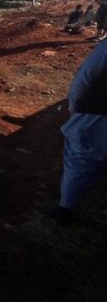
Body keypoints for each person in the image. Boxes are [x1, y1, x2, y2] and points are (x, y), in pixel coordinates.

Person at [55, 40, 107, 224]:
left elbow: (86, 76)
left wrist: (75, 106)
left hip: (97, 113)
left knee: (79, 159)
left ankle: (65, 208)